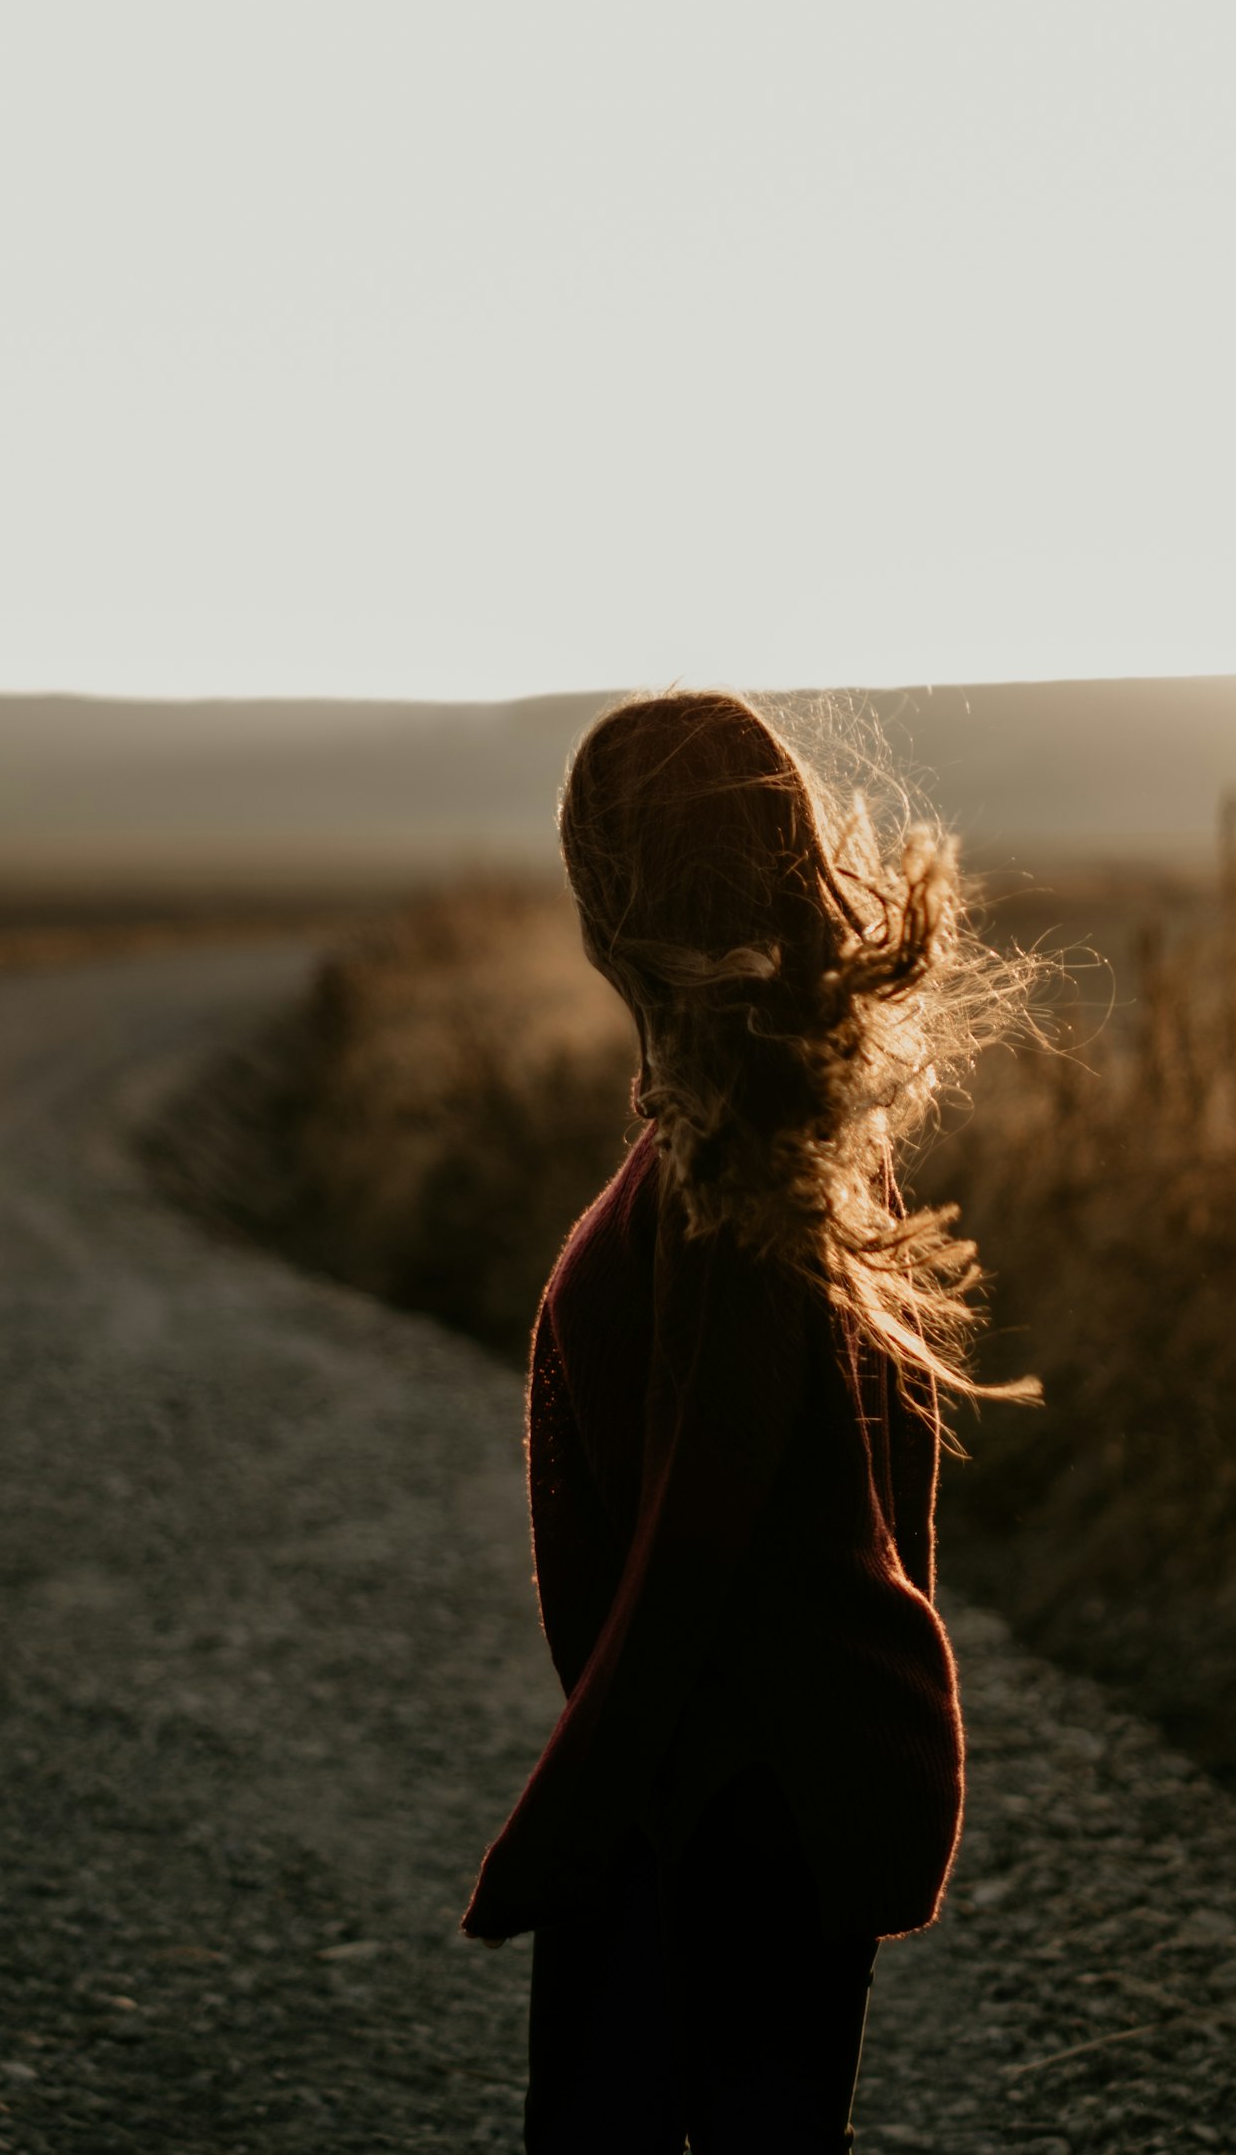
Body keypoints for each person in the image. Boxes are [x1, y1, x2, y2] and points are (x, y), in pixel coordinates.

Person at [459, 690, 1043, 2154]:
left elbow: (697, 1537)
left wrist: (573, 1824)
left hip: (724, 1806)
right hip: (771, 1784)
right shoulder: (789, 1135)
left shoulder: (730, 1175)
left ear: (613, 903)